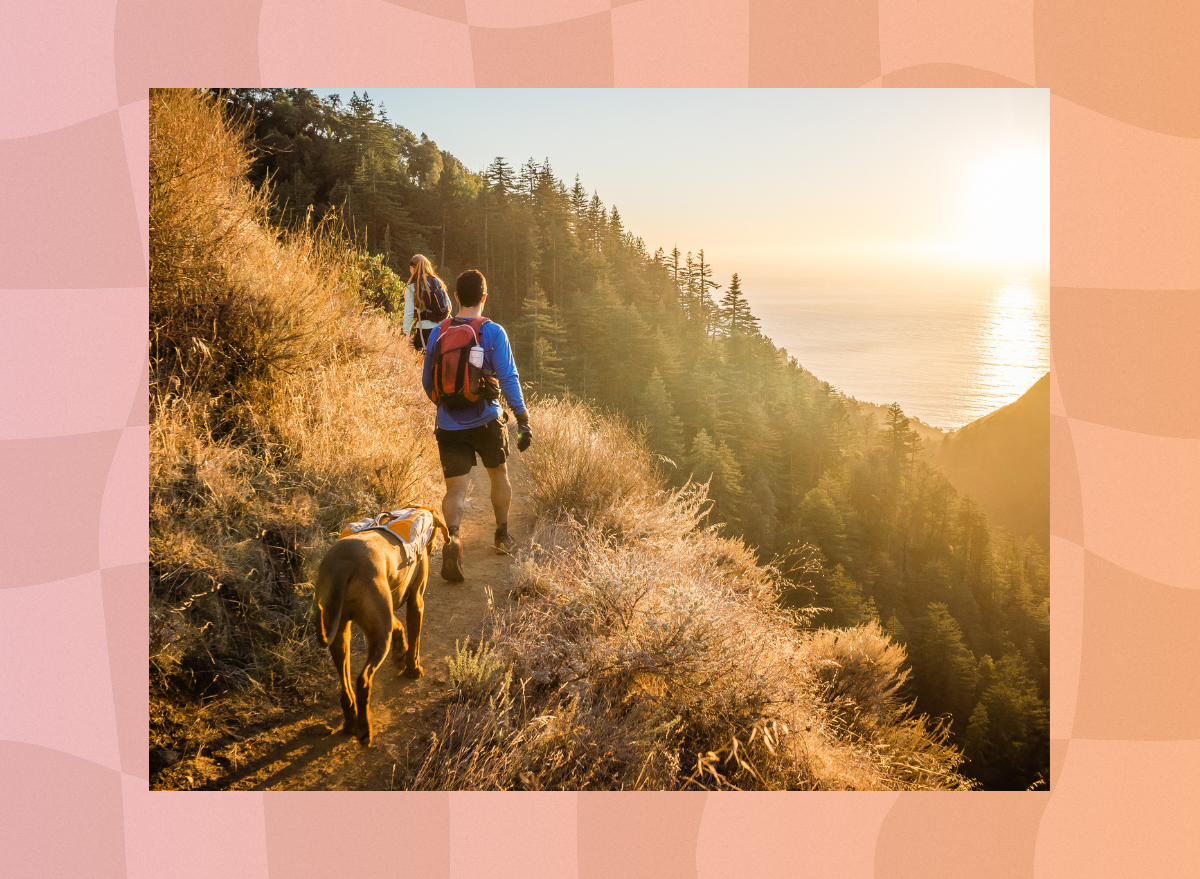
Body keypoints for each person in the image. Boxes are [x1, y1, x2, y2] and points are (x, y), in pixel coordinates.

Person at [422, 269, 533, 581]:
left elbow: (427, 381)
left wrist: (447, 404)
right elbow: (508, 378)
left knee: (455, 489)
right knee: (499, 476)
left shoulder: (438, 332)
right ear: (484, 297)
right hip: (486, 421)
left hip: (448, 425)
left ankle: (454, 540)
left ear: (456, 297)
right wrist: (522, 419)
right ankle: (501, 536)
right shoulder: (492, 332)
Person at [403, 254, 451, 351]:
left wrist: (406, 334)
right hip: (441, 329)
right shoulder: (437, 282)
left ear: (413, 268)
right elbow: (449, 306)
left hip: (424, 330)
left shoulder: (412, 287)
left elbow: (408, 312)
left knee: (423, 363)